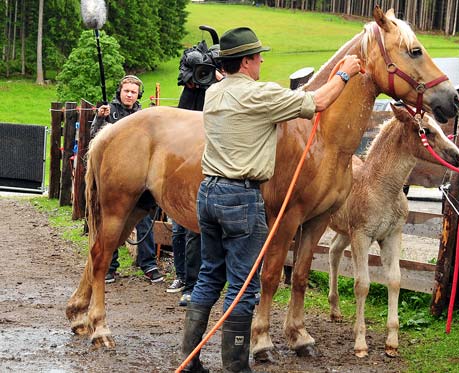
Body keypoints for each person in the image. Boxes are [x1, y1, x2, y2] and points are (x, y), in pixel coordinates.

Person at [180, 27, 361, 373]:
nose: (262, 60)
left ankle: (190, 360)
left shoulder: (214, 93)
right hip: (240, 197)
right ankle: (236, 366)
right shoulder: (260, 95)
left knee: (208, 277)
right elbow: (319, 102)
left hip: (209, 194)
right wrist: (345, 72)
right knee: (244, 286)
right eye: (258, 55)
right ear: (246, 62)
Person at [90, 75, 164, 284]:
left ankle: (148, 264)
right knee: (112, 220)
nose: (129, 95)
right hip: (115, 177)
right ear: (120, 92)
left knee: (145, 218)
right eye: (126, 91)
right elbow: (95, 139)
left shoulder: (143, 116)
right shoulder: (109, 111)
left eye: (133, 92)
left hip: (140, 175)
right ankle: (110, 265)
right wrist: (99, 119)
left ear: (138, 94)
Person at [167, 43, 223, 305]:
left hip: (211, 162)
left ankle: (200, 282)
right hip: (182, 162)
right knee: (183, 229)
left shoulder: (221, 90)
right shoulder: (188, 92)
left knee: (201, 230)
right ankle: (187, 280)